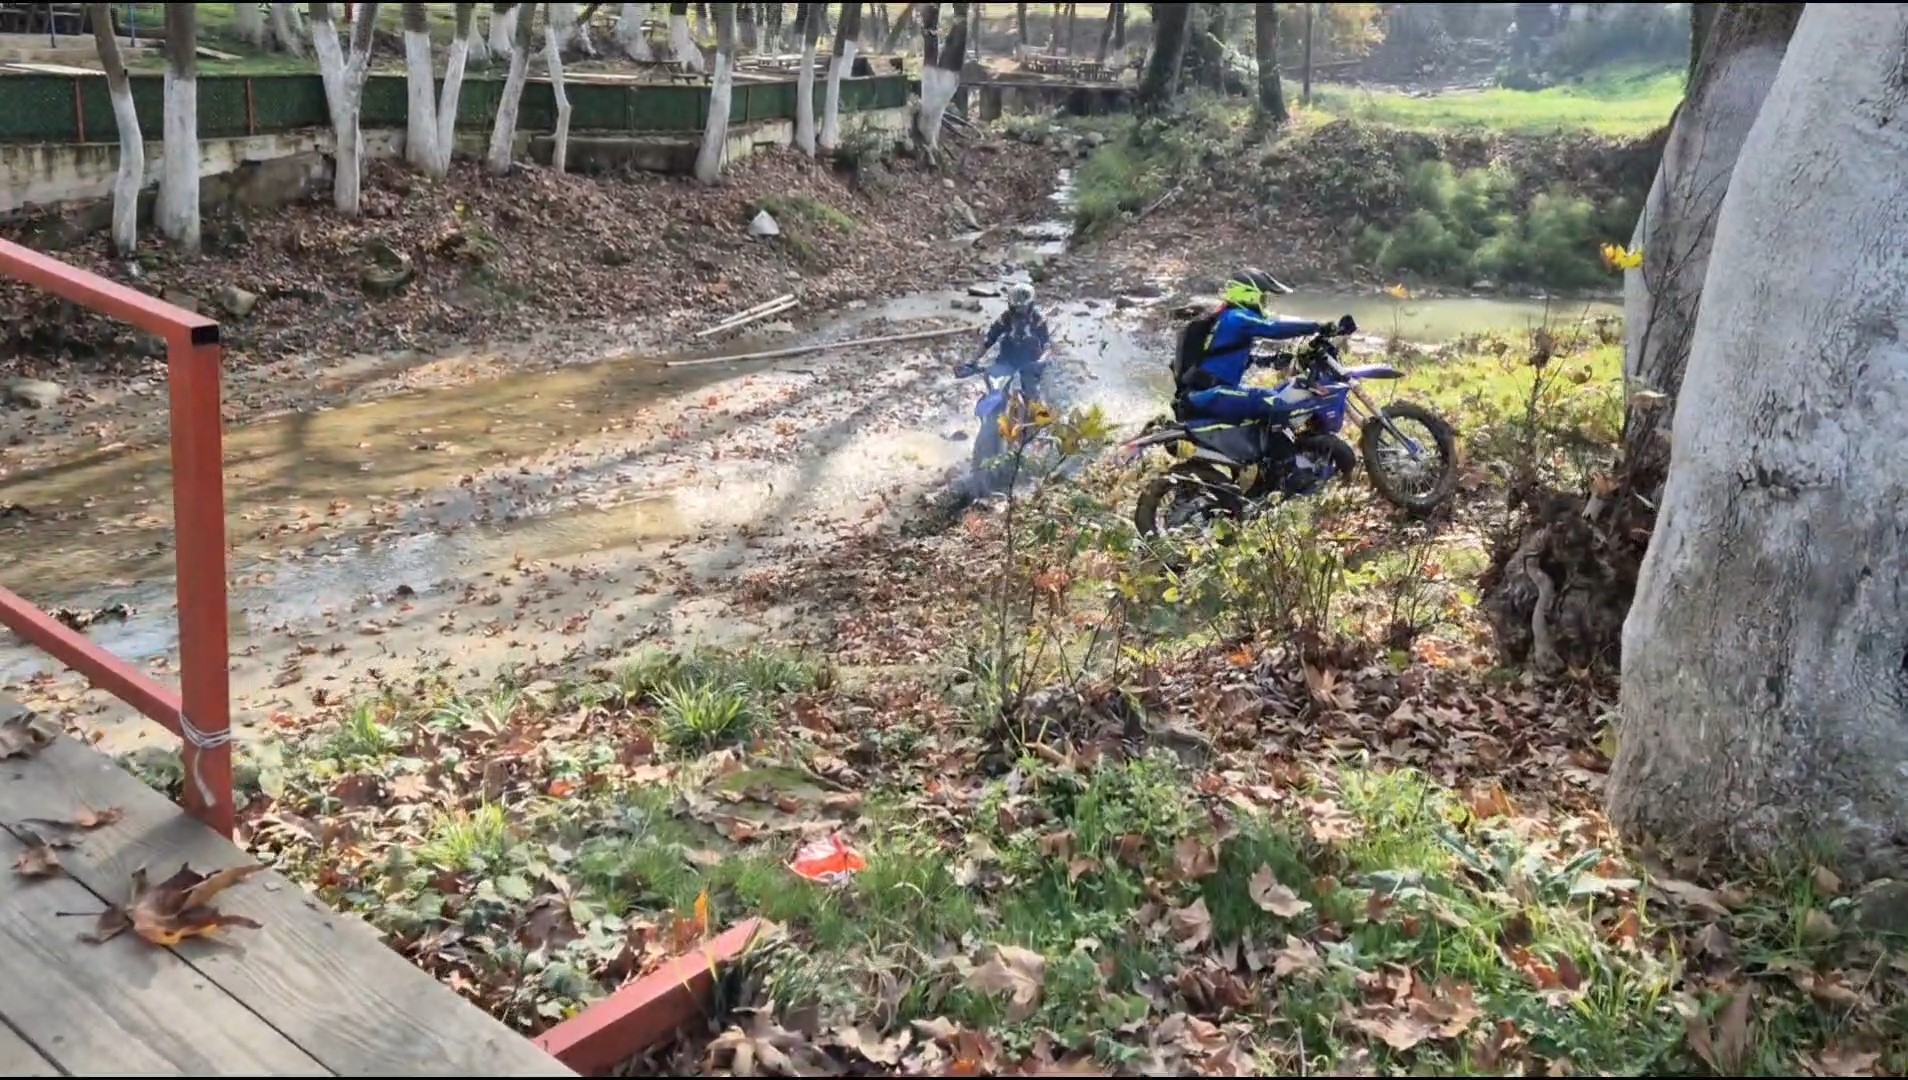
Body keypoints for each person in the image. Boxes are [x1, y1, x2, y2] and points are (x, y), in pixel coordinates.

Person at [1180, 268, 1356, 425]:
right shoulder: (1237, 317)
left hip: (1211, 393)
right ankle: (1279, 460)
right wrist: (1317, 326)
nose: (1265, 305)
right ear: (1249, 295)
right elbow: (1272, 328)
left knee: (1275, 393)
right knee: (1275, 403)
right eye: (1263, 299)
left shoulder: (1226, 318)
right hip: (1211, 394)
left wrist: (1269, 360)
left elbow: (1228, 357)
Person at [960, 283, 1053, 400]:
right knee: (995, 389)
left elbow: (1047, 346)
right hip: (1006, 360)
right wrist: (971, 362)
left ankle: (1035, 410)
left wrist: (1041, 361)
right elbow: (988, 341)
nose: (1019, 310)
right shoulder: (1005, 318)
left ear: (1030, 305)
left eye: (1022, 307)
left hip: (1030, 362)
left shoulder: (1038, 320)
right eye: (1016, 307)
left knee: (1032, 394)